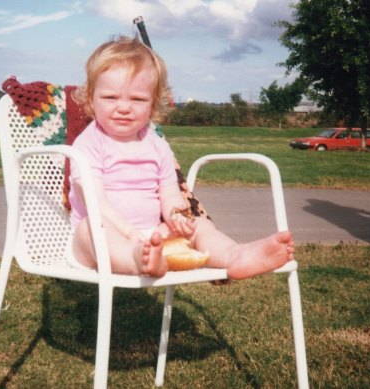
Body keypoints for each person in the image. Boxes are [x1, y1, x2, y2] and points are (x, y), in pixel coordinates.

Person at [68, 35, 294, 279]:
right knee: (90, 229)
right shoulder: (88, 144)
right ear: (91, 99)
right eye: (110, 97)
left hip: (152, 236)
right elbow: (96, 203)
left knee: (199, 225)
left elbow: (169, 193)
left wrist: (177, 216)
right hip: (100, 240)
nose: (123, 107)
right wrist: (132, 235)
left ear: (153, 106)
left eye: (137, 99)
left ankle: (234, 255)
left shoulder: (156, 146)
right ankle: (138, 260)